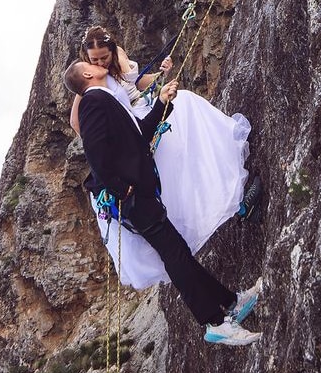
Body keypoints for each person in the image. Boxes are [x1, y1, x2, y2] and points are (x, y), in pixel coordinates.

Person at [63, 60, 262, 346]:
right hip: (133, 198)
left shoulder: (104, 99)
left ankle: (230, 303)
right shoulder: (93, 102)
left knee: (177, 251)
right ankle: (214, 322)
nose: (97, 63)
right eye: (90, 63)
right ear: (87, 74)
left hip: (139, 193)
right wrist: (123, 190)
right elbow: (95, 154)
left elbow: (141, 136)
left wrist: (162, 104)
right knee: (174, 255)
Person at [70, 26, 256, 290]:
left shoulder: (116, 61)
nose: (100, 62)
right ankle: (223, 204)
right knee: (174, 167)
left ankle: (228, 191)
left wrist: (162, 74)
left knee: (187, 118)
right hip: (134, 130)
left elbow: (138, 83)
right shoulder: (89, 86)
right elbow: (79, 124)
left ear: (111, 51)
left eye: (103, 57)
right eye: (94, 59)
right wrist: (118, 134)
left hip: (140, 121)